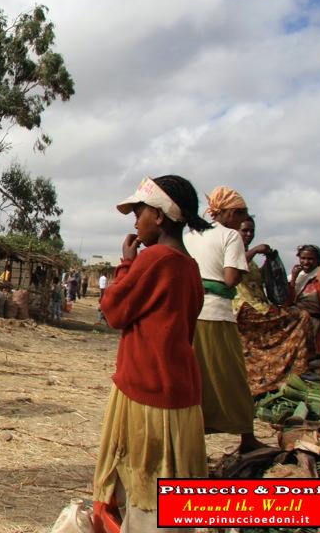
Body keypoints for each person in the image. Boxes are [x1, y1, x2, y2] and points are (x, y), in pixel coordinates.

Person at [93, 175, 208, 533]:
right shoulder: (190, 267)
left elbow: (113, 311)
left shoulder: (153, 259)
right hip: (181, 395)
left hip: (145, 393)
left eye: (139, 211)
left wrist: (126, 263)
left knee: (143, 482)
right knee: (174, 480)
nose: (134, 220)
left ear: (159, 217)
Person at [182, 186, 264, 452]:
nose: (243, 219)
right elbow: (230, 279)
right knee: (233, 375)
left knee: (196, 376)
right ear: (228, 212)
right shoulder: (231, 236)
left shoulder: (191, 234)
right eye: (241, 213)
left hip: (190, 313)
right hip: (217, 315)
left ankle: (191, 439)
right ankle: (247, 437)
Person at [233, 217, 312, 395]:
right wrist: (255, 250)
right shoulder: (232, 250)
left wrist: (269, 263)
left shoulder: (248, 257)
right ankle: (296, 370)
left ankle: (276, 378)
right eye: (244, 230)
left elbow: (257, 280)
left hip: (259, 304)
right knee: (301, 316)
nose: (248, 234)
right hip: (246, 308)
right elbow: (233, 267)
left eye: (251, 231)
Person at [288, 244, 320, 340]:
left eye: (310, 259)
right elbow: (287, 302)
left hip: (313, 324)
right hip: (293, 322)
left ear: (318, 260)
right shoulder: (294, 277)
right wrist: (293, 279)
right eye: (303, 258)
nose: (306, 262)